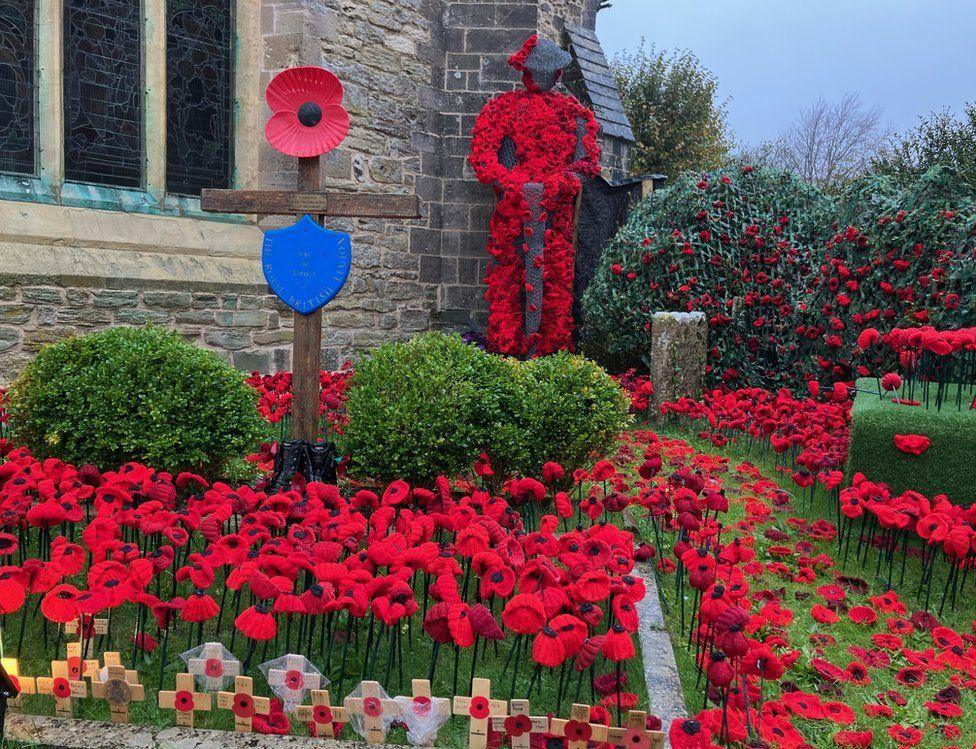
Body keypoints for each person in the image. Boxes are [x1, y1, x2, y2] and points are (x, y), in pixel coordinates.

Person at [470, 35, 601, 357]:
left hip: (556, 216)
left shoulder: (575, 114)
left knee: (554, 284)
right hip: (512, 213)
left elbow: (587, 164)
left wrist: (559, 183)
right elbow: (484, 158)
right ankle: (511, 353)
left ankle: (547, 356)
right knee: (510, 281)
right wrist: (514, 183)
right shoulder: (502, 108)